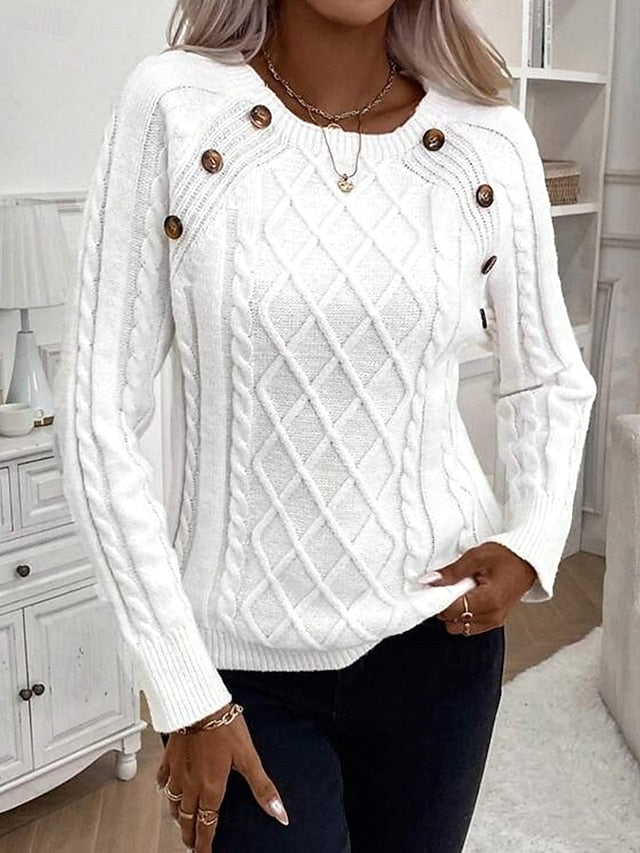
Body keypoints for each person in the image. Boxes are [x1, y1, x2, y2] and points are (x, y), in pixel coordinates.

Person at [53, 0, 597, 851]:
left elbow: (549, 374)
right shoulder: (175, 106)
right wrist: (185, 689)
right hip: (242, 673)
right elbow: (96, 419)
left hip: (439, 647)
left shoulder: (487, 139)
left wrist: (533, 533)